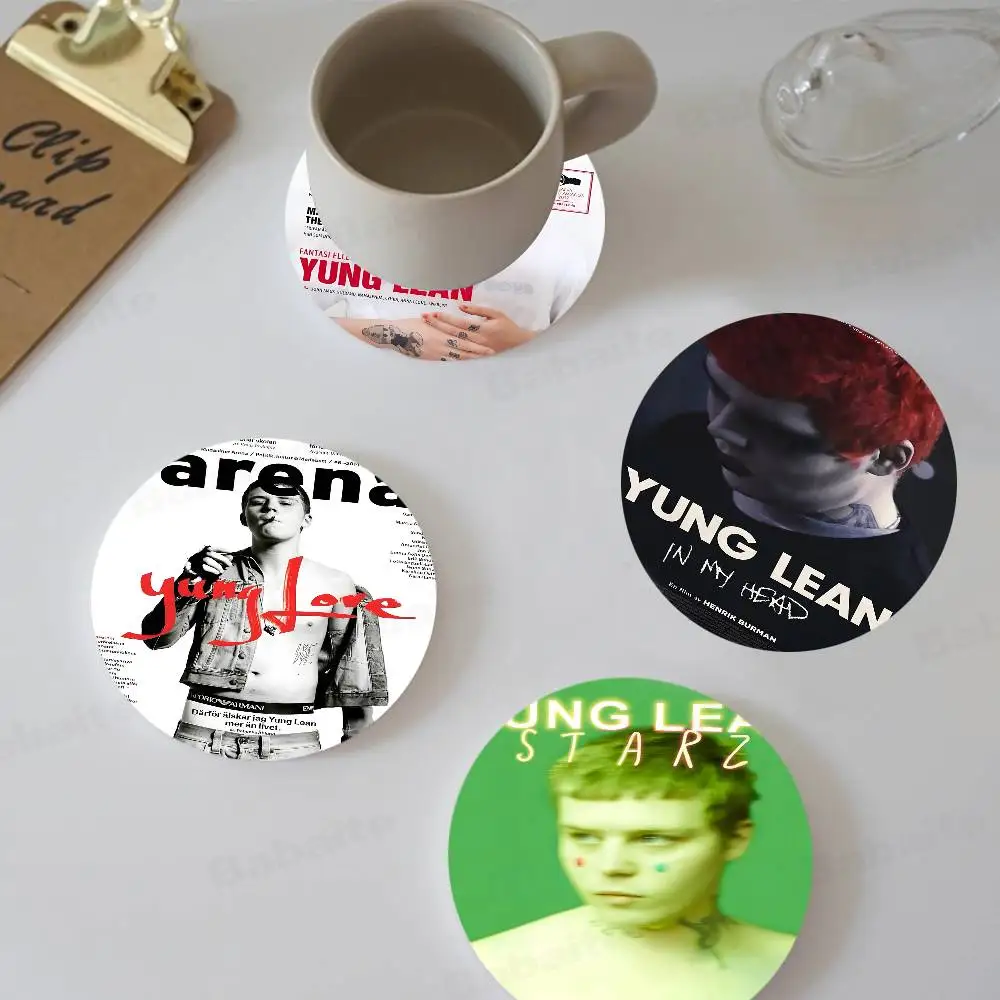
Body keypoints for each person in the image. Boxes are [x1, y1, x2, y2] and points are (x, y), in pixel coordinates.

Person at [622, 314, 948, 650]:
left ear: (886, 457)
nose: (718, 429)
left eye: (774, 430)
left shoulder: (889, 607)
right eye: (719, 391)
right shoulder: (678, 444)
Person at [472, 730, 795, 1000]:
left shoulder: (794, 962)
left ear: (736, 839)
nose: (611, 866)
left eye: (653, 839)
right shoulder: (493, 965)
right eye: (584, 836)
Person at [133, 480, 387, 759]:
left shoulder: (337, 584)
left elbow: (354, 674)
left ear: (307, 519)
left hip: (290, 742)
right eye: (258, 502)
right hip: (202, 734)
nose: (271, 509)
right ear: (244, 517)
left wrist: (356, 748)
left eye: (285, 503)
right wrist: (187, 583)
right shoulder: (212, 571)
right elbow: (156, 639)